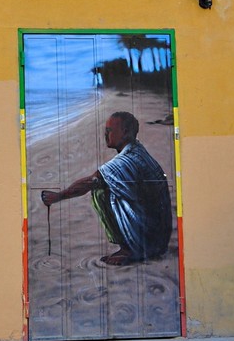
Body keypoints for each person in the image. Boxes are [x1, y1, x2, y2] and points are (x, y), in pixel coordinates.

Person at [41, 111, 172, 266]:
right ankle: (132, 246)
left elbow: (90, 182)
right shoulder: (138, 149)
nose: (105, 134)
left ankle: (129, 250)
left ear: (124, 133)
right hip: (160, 238)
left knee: (100, 192)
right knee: (107, 186)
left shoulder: (124, 160)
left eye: (109, 130)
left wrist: (57, 197)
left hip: (151, 243)